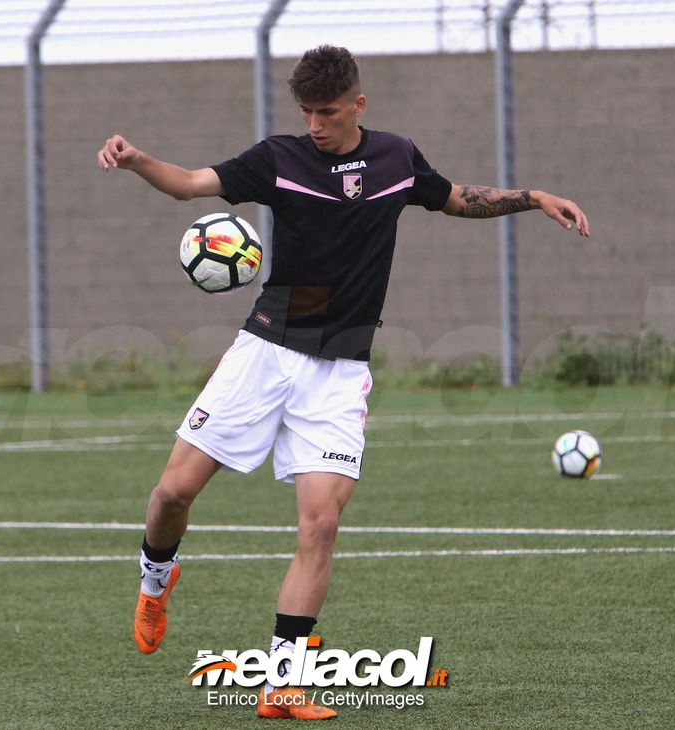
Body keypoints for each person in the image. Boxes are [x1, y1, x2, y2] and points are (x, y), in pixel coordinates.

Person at [97, 44, 589, 721]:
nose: (315, 124)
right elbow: (187, 183)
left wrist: (534, 198)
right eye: (306, 112)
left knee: (321, 523)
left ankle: (283, 683)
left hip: (341, 369)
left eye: (327, 112)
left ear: (358, 104)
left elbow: (455, 199)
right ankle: (156, 577)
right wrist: (136, 160)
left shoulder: (395, 158)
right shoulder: (280, 158)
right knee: (172, 494)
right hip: (266, 352)